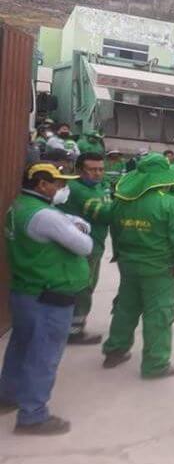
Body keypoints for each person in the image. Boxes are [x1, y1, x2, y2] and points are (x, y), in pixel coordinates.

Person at [0, 163, 92, 435]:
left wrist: (72, 223)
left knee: (21, 346)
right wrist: (76, 226)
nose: (63, 189)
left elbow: (70, 226)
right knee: (44, 355)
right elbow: (84, 245)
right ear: (41, 184)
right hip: (49, 296)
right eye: (58, 183)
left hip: (26, 291)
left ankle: (7, 396)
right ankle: (33, 416)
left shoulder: (19, 207)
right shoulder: (45, 216)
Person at [102, 153, 174, 379]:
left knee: (125, 308)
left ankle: (115, 351)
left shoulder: (122, 200)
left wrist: (119, 254)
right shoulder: (168, 203)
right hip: (160, 269)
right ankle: (155, 364)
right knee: (159, 314)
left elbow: (114, 229)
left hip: (128, 264)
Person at [57, 152, 111, 345]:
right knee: (82, 288)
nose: (97, 173)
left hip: (96, 245)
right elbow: (104, 214)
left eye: (101, 169)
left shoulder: (100, 187)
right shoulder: (77, 190)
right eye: (92, 170)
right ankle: (74, 331)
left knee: (88, 285)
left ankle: (74, 326)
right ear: (80, 171)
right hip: (81, 248)